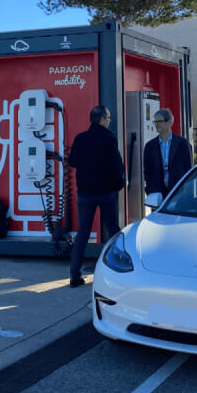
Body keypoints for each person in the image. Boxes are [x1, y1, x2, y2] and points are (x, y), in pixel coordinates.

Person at [66, 105, 124, 288]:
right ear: (102, 119)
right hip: (106, 192)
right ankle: (118, 270)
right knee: (113, 230)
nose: (109, 121)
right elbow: (117, 166)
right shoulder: (109, 138)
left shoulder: (81, 138)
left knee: (83, 232)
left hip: (85, 192)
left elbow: (72, 161)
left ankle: (75, 275)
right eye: (108, 118)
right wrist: (118, 185)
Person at [143, 108, 193, 200]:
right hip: (156, 193)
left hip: (178, 192)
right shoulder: (150, 146)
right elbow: (147, 171)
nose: (156, 124)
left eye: (159, 121)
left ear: (169, 122)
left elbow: (188, 169)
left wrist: (185, 191)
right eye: (155, 121)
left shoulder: (182, 144)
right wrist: (149, 190)